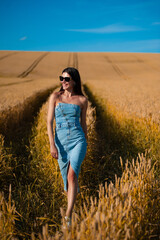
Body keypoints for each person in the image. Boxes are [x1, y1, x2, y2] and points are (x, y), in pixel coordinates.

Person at [47, 67, 88, 227]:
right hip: (60, 143)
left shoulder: (82, 100)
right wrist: (52, 144)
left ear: (75, 81)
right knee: (67, 180)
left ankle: (68, 217)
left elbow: (83, 124)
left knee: (72, 176)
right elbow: (49, 122)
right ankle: (71, 206)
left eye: (67, 79)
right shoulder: (55, 97)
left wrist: (86, 141)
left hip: (78, 140)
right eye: (61, 78)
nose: (63, 81)